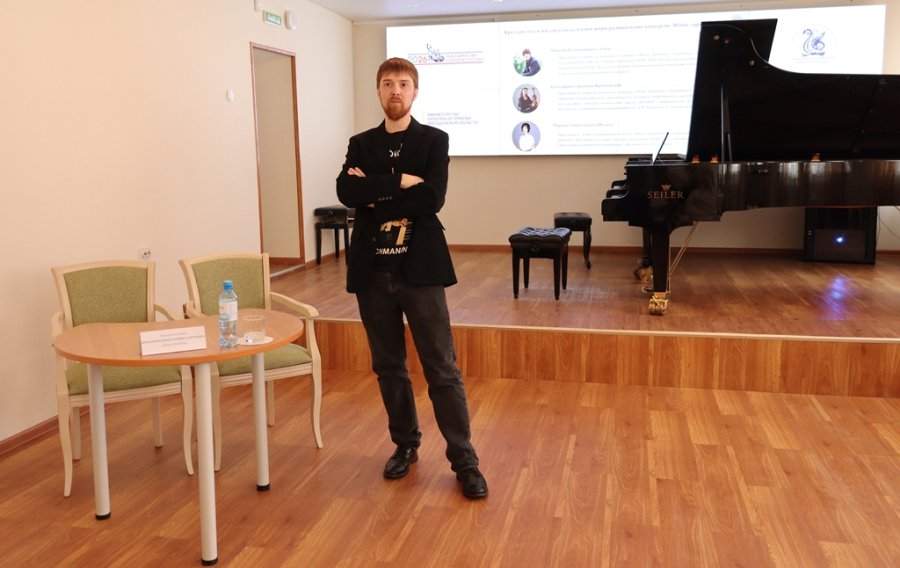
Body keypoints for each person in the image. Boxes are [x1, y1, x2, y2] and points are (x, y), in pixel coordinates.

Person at [336, 57, 488, 499]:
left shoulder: (433, 140)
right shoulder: (361, 143)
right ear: (378, 91)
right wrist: (401, 181)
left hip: (419, 272)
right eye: (387, 84)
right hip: (372, 274)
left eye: (403, 84)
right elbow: (347, 192)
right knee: (389, 367)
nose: (395, 91)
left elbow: (432, 198)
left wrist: (374, 193)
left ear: (415, 91)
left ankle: (465, 461)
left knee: (442, 368)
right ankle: (405, 445)